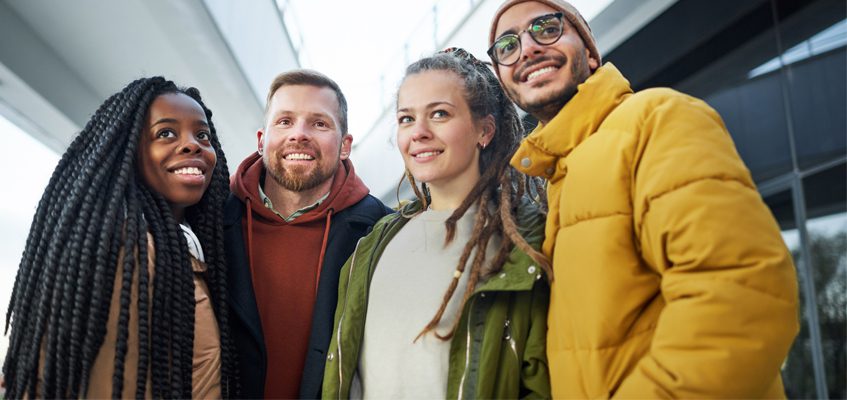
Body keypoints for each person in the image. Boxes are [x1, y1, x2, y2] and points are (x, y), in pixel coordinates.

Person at [487, 0, 800, 397]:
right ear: (502, 77)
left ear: (590, 52)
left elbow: (742, 300)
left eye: (546, 28)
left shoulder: (657, 117)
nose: (527, 49)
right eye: (506, 46)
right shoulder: (557, 179)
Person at [322, 48, 551, 399]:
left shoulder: (527, 239)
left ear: (484, 130)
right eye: (406, 119)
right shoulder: (372, 245)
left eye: (440, 114)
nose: (419, 133)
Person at [2, 77, 235, 398]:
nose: (192, 144)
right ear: (127, 152)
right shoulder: (130, 251)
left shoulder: (181, 250)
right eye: (165, 133)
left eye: (202, 135)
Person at [225, 69, 391, 399]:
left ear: (345, 146)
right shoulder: (213, 221)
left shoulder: (381, 232)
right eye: (285, 121)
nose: (299, 135)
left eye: (319, 123)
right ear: (261, 140)